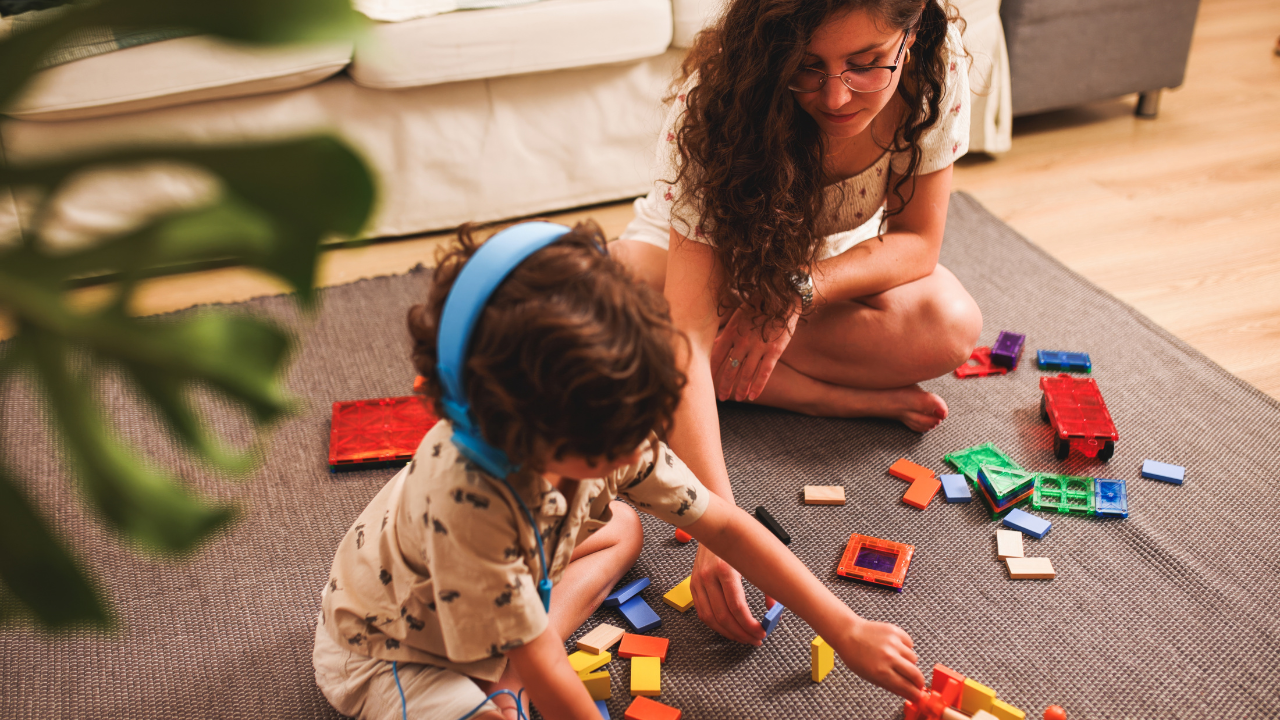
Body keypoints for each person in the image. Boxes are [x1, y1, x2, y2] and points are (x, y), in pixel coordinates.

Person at [312, 220, 925, 720]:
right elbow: (549, 670)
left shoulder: (610, 424)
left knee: (623, 525)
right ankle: (500, 679)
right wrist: (530, 679)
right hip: (396, 650)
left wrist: (846, 628)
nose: (638, 446)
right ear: (515, 425)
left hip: (497, 583)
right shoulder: (471, 502)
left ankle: (506, 660)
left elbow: (729, 528)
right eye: (612, 443)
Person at [608, 0, 983, 646]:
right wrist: (718, 526)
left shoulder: (935, 68)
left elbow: (918, 244)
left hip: (813, 269)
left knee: (951, 323)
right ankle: (817, 395)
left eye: (865, 65)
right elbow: (688, 332)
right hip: (691, 265)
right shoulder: (720, 96)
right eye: (806, 69)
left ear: (910, 29)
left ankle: (734, 373)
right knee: (622, 297)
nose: (835, 95)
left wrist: (793, 293)